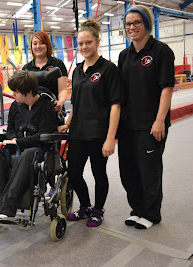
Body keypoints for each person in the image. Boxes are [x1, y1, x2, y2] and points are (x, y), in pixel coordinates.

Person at [58, 19, 122, 227]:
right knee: (74, 173)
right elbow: (75, 103)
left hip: (98, 133)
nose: (84, 47)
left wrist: (110, 138)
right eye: (81, 44)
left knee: (98, 174)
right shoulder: (76, 71)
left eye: (88, 43)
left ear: (97, 42)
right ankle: (85, 206)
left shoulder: (108, 69)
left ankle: (98, 210)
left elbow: (115, 105)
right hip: (77, 132)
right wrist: (68, 123)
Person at [117, 5, 174, 230]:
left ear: (147, 24)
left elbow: (166, 88)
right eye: (128, 24)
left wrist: (160, 120)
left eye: (137, 23)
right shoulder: (124, 55)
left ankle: (151, 213)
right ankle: (137, 209)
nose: (132, 27)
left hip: (151, 124)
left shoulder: (161, 51)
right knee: (128, 170)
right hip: (127, 124)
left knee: (149, 171)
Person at [0, 70, 58, 220]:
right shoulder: (15, 107)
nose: (13, 95)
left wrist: (18, 142)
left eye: (16, 92)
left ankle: (7, 206)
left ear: (28, 92)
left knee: (28, 154)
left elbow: (42, 136)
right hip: (16, 147)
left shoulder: (46, 106)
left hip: (38, 149)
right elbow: (10, 130)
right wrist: (12, 140)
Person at [22, 30, 68, 115]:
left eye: (41, 43)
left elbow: (63, 90)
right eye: (35, 43)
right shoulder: (26, 68)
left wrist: (60, 102)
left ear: (47, 45)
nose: (38, 46)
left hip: (53, 110)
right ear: (31, 46)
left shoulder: (57, 64)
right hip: (34, 113)